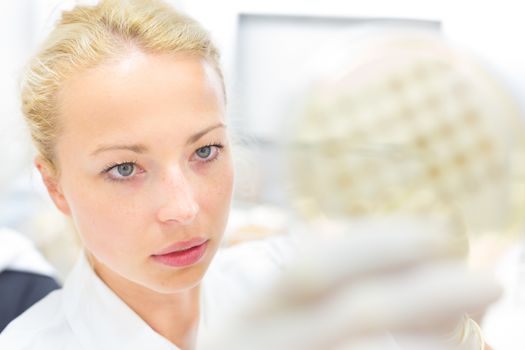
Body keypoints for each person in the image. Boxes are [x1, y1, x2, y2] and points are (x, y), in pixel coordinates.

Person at [0, 1, 500, 349]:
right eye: (124, 168)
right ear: (54, 186)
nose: (185, 208)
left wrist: (451, 339)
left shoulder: (293, 279)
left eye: (206, 150)